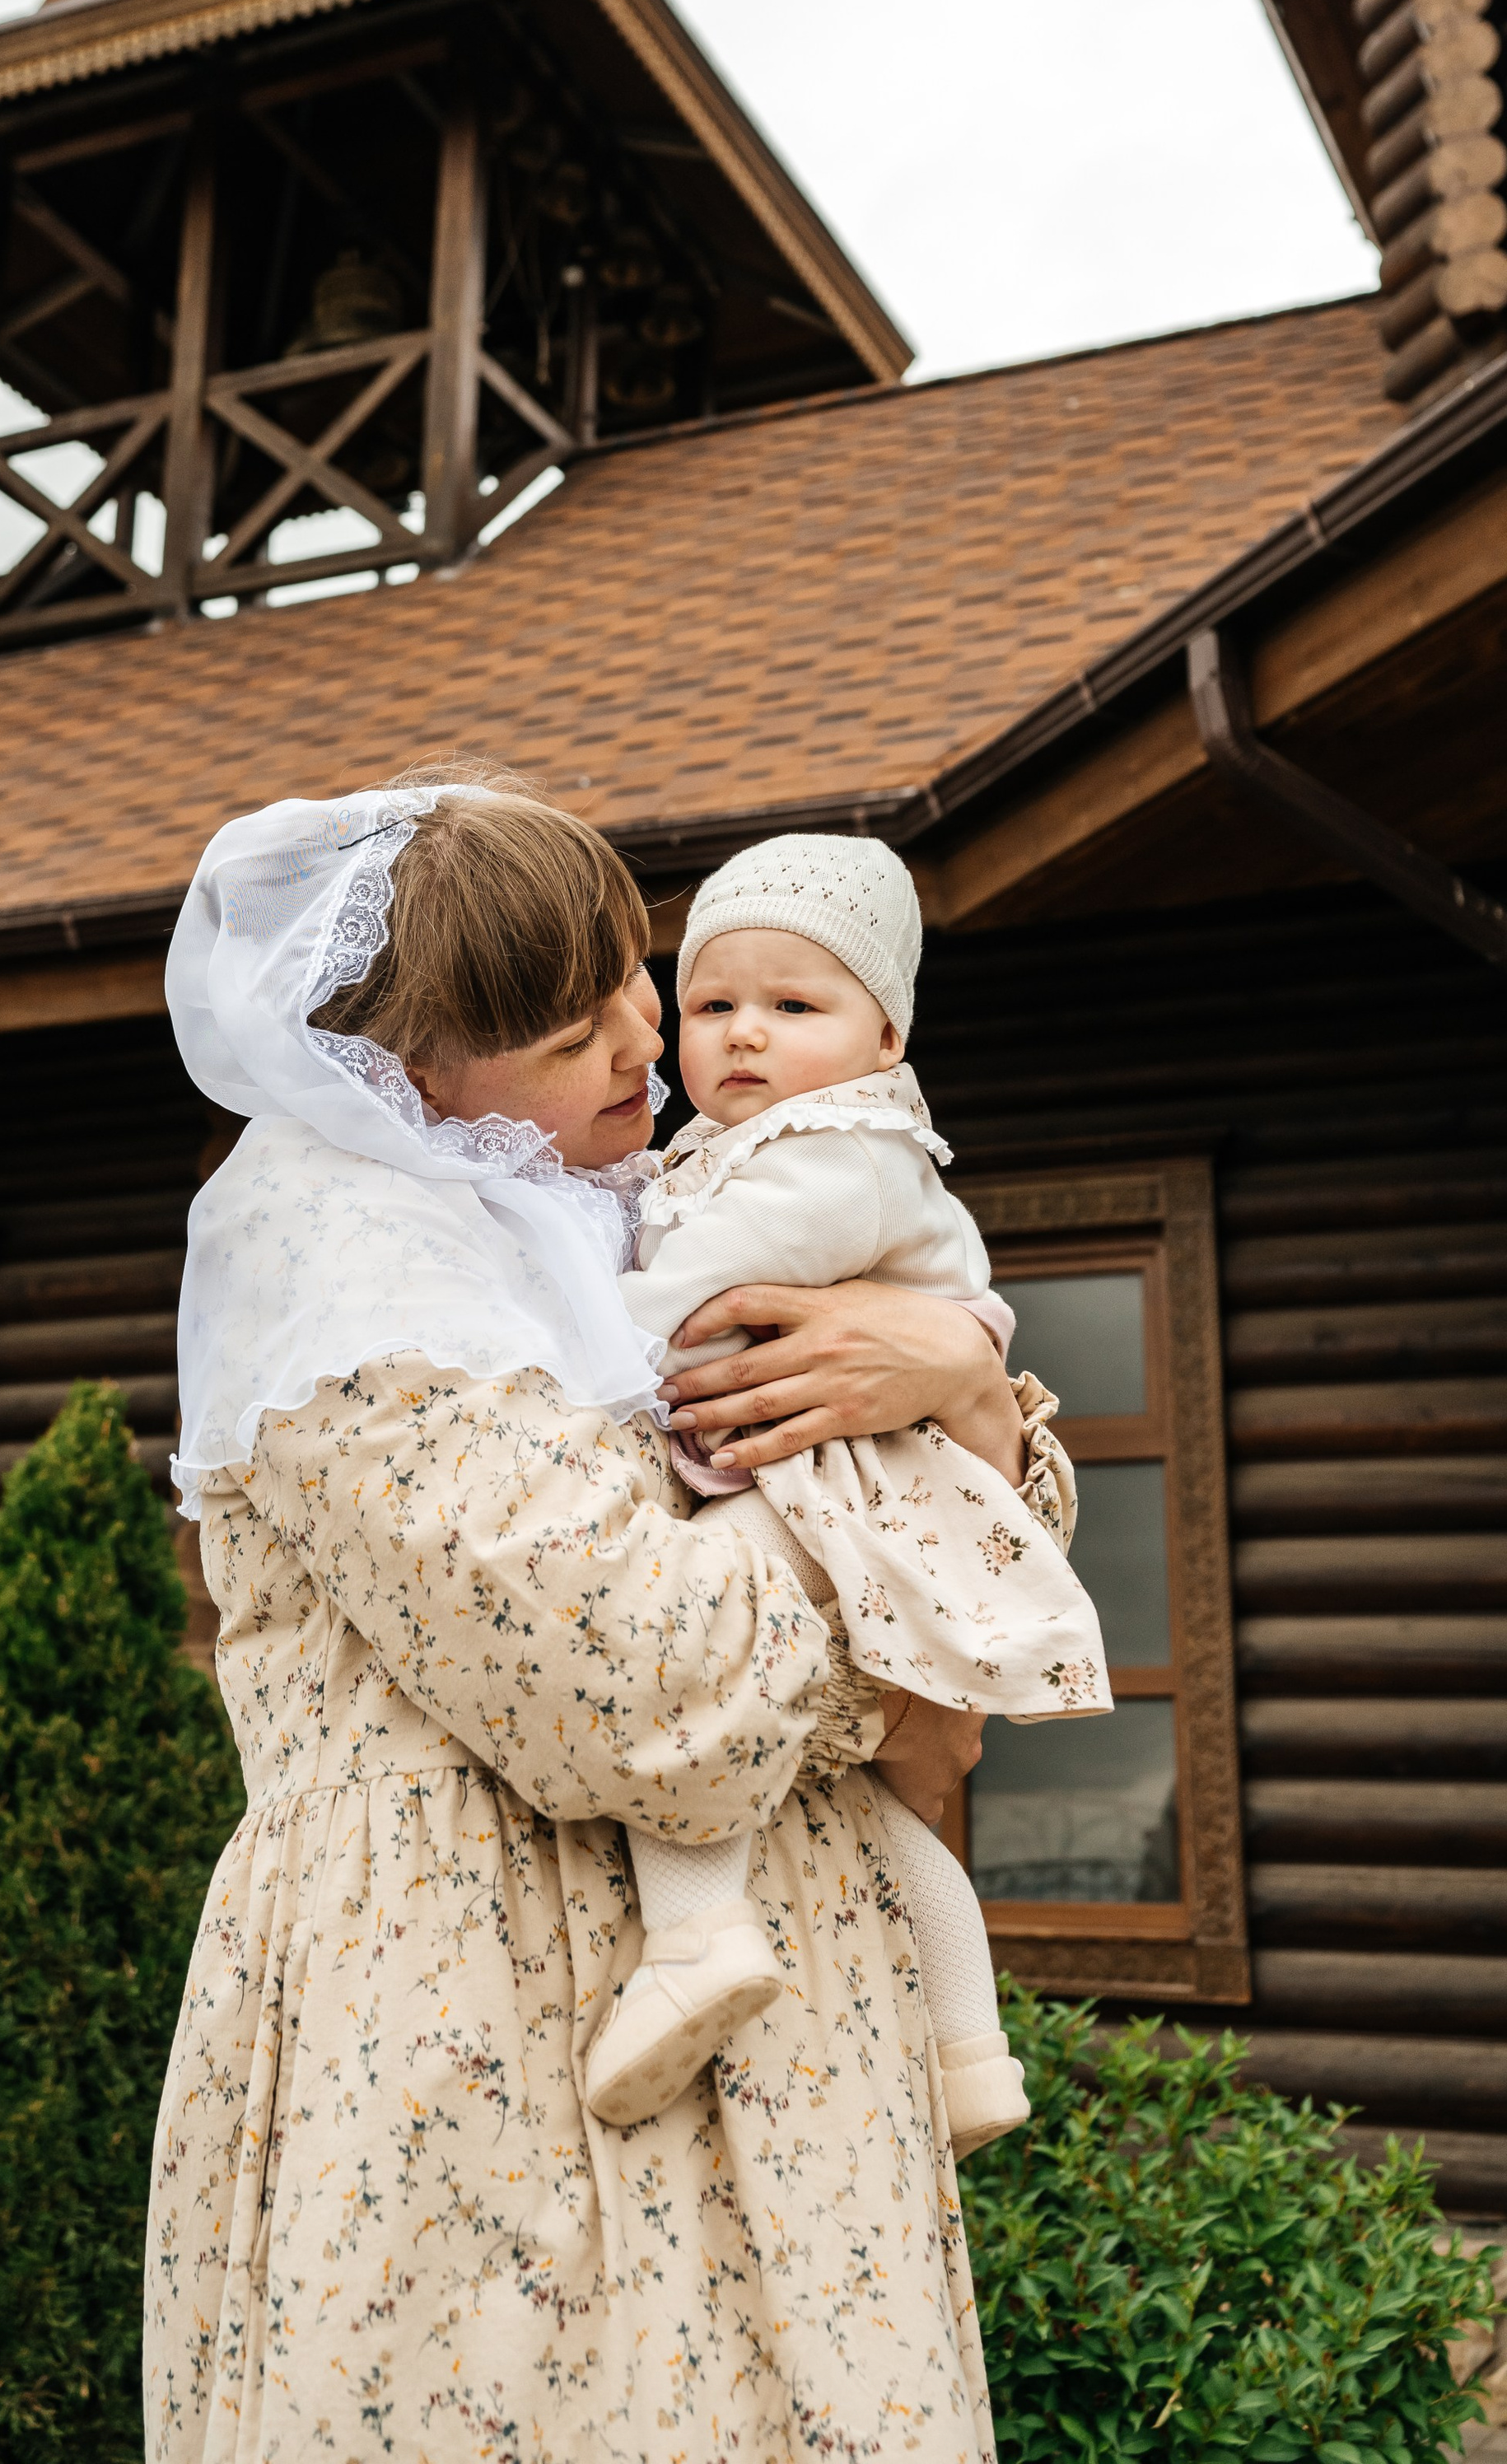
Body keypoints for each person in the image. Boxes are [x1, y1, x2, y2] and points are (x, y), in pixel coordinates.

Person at [147, 771, 1081, 2464]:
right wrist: (913, 1469)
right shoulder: (344, 1253)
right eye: (578, 1032)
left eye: (631, 987)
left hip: (772, 2018)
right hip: (493, 2020)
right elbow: (639, 1680)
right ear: (418, 1062)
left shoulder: (601, 1207)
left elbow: (983, 1550)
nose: (645, 1051)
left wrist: (961, 1379)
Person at [583, 832, 1107, 2141]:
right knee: (869, 1820)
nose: (744, 1036)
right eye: (714, 1005)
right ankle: (972, 2053)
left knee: (698, 1677)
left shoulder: (839, 1154)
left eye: (794, 1006)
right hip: (831, 1464)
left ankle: (697, 1938)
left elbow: (696, 1302)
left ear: (887, 1043)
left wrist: (577, 1342)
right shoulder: (735, 1149)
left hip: (844, 1474)